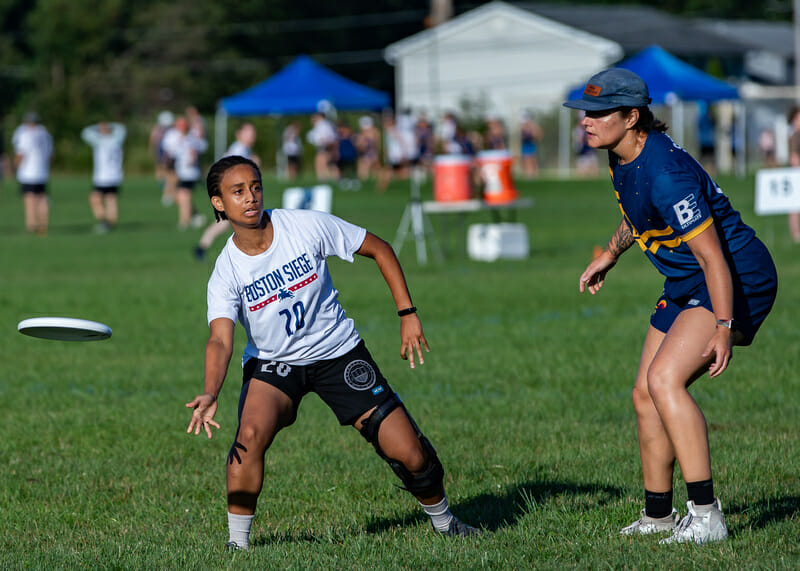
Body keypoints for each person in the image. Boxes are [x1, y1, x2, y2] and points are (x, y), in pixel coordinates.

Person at [185, 155, 481, 550]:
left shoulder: (304, 225)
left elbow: (380, 248)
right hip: (276, 364)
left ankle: (447, 524)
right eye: (237, 191)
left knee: (410, 453)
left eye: (255, 186)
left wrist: (407, 313)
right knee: (248, 437)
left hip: (338, 352)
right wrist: (210, 391)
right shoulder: (226, 271)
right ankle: (236, 547)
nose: (251, 197)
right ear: (218, 203)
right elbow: (220, 340)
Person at [566, 68, 777, 545]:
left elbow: (713, 257)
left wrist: (723, 325)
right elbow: (634, 215)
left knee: (665, 380)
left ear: (632, 117)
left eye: (599, 113)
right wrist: (610, 255)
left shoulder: (666, 172)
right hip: (688, 279)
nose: (587, 121)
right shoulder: (622, 156)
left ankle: (707, 516)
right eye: (585, 113)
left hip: (736, 277)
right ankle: (658, 514)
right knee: (644, 392)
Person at [194, 123, 259, 261]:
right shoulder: (239, 149)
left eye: (253, 133)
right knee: (240, 221)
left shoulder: (244, 149)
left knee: (225, 223)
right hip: (228, 191)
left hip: (230, 191)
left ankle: (201, 248)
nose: (252, 136)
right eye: (249, 133)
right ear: (239, 134)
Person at [162, 115, 209, 230]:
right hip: (180, 171)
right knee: (177, 194)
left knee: (184, 195)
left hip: (189, 172)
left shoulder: (191, 138)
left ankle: (184, 221)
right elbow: (171, 152)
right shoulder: (179, 137)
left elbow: (201, 147)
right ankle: (193, 216)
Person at [81, 121, 126, 233]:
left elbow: (85, 132)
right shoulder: (117, 140)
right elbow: (122, 128)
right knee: (111, 199)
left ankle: (104, 222)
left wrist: (97, 125)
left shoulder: (99, 141)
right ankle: (111, 223)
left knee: (94, 199)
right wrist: (110, 125)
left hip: (103, 177)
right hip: (116, 176)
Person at [12, 112, 53, 235]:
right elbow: (51, 155)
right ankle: (43, 224)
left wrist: (15, 166)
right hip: (42, 171)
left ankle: (32, 224)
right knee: (42, 198)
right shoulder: (46, 134)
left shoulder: (26, 134)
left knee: (29, 199)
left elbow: (21, 153)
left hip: (28, 172)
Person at [149, 111, 176, 206]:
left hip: (166, 154)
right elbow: (153, 143)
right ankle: (167, 192)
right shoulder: (158, 130)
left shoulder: (164, 130)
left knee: (168, 174)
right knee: (166, 174)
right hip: (163, 154)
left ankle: (167, 192)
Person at [306, 112, 337, 181]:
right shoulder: (325, 124)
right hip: (325, 147)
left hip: (324, 148)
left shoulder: (323, 125)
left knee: (322, 165)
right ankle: (330, 180)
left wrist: (322, 143)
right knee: (329, 165)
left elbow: (327, 138)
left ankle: (323, 180)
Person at [786, 107, 800, 243]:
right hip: (796, 174)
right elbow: (794, 158)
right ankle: (796, 233)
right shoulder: (795, 135)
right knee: (794, 204)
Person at [355, 115, 381, 181]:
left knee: (364, 171)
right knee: (372, 171)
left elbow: (360, 146)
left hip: (368, 154)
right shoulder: (375, 131)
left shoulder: (364, 133)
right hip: (371, 154)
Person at [519, 112, 543, 178]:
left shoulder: (533, 127)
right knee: (526, 160)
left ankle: (534, 174)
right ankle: (528, 174)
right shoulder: (522, 127)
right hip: (525, 145)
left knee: (533, 160)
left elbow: (537, 135)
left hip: (531, 145)